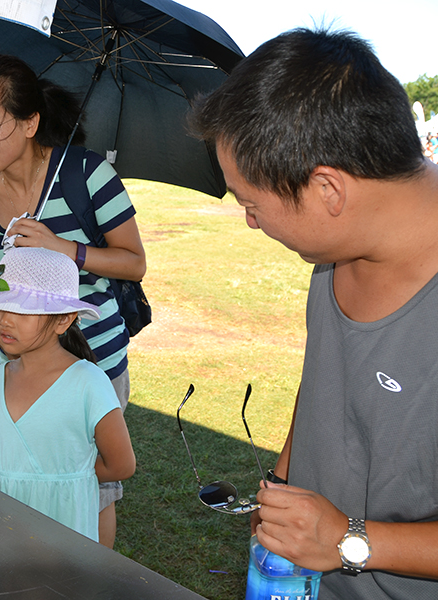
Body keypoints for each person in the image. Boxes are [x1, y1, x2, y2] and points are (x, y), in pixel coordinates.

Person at [190, 28, 438, 599]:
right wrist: (281, 480)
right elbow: (326, 383)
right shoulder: (335, 250)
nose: (250, 221)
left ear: (327, 188)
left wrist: (350, 540)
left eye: (251, 203)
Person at [0, 54, 146, 548]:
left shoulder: (88, 175)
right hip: (18, 367)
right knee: (25, 488)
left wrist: (66, 249)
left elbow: (133, 262)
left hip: (95, 361)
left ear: (30, 121)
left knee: (94, 491)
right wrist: (15, 339)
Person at [0, 246, 135, 543]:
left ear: (63, 320)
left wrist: (66, 476)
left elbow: (121, 464)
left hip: (65, 526)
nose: (5, 320)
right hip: (8, 522)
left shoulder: (88, 383)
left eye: (23, 310)